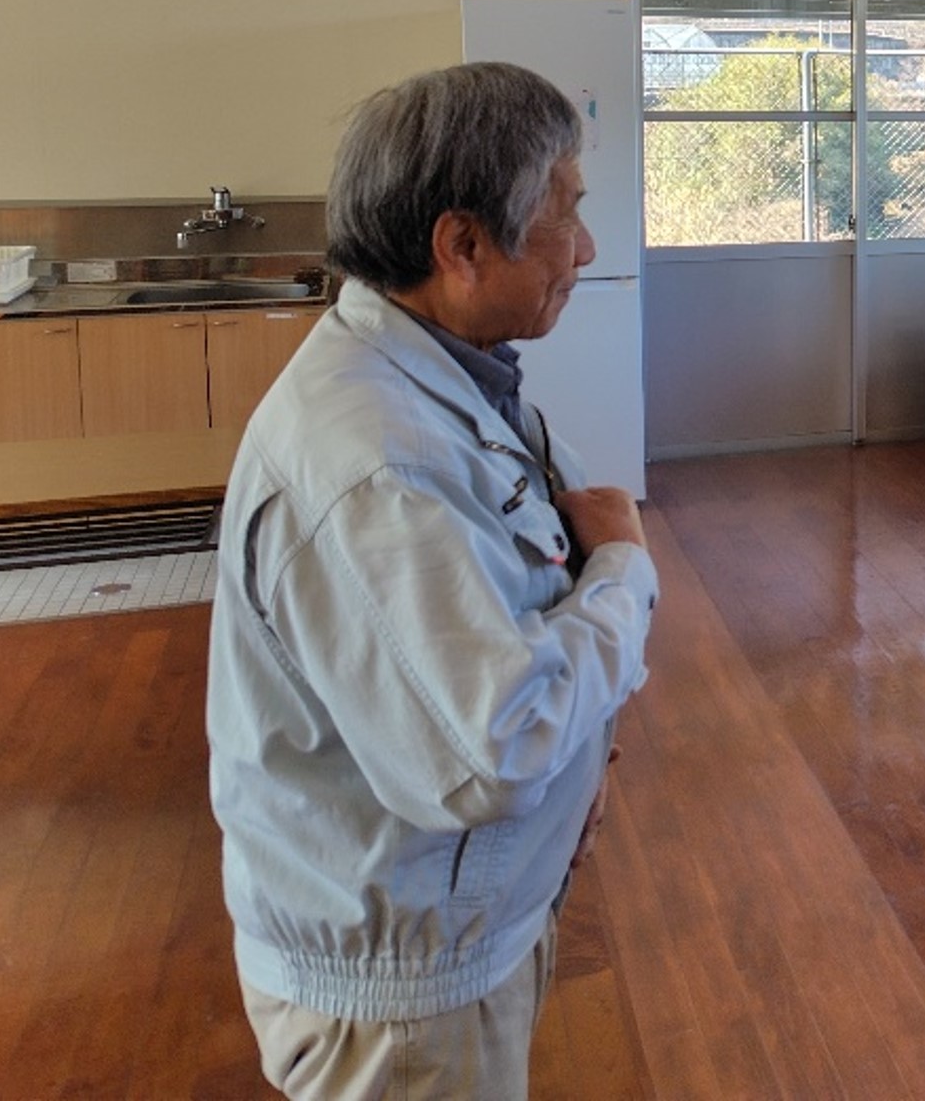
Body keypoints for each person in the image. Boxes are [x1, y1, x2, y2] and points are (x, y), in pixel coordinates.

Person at [206, 61, 658, 1101]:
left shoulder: (451, 372)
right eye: (565, 213)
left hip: (458, 930)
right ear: (462, 247)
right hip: (402, 1002)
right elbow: (490, 749)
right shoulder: (377, 464)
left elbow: (510, 607)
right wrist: (625, 576)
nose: (587, 249)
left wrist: (585, 742)